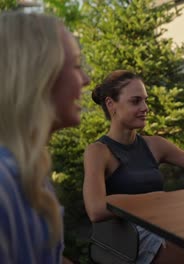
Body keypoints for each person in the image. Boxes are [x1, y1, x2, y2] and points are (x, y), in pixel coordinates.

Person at [83, 70, 184, 263]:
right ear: (111, 104)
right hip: (130, 243)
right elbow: (95, 209)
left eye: (145, 100)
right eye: (135, 101)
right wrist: (154, 199)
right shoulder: (98, 152)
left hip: (163, 227)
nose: (145, 107)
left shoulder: (155, 145)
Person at [0, 12, 90, 263]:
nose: (86, 80)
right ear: (39, 76)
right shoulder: (3, 185)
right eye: (76, 65)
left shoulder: (29, 171)